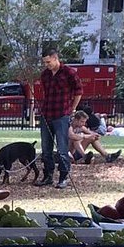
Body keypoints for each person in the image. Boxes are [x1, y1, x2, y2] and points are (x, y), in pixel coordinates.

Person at [36, 48, 82, 190]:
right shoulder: (45, 75)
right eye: (44, 62)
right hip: (47, 114)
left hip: (62, 115)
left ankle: (63, 177)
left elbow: (79, 91)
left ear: (56, 58)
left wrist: (72, 109)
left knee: (62, 148)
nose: (46, 65)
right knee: (46, 148)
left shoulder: (69, 73)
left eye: (48, 62)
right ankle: (48, 175)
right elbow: (45, 93)